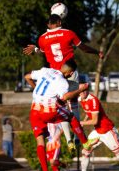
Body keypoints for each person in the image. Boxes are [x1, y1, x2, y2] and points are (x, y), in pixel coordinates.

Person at [23, 14, 103, 150]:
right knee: (73, 106)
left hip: (53, 75)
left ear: (48, 25)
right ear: (60, 21)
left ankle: (69, 140)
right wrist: (97, 52)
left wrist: (35, 49)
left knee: (62, 107)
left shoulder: (42, 38)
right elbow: (83, 47)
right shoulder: (68, 33)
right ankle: (79, 138)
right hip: (68, 72)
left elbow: (44, 51)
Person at [24, 59, 94, 171]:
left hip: (34, 110)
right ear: (71, 73)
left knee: (40, 140)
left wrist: (35, 88)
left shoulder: (46, 70)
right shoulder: (62, 82)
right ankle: (85, 143)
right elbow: (65, 97)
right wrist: (80, 89)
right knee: (71, 117)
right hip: (48, 110)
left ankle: (44, 169)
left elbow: (27, 77)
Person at [79, 84, 119, 171]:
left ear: (88, 90)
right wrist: (84, 120)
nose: (82, 92)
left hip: (107, 130)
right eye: (80, 90)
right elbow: (88, 112)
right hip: (98, 131)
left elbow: (95, 121)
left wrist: (81, 123)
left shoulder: (93, 100)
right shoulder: (81, 99)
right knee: (85, 151)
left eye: (84, 90)